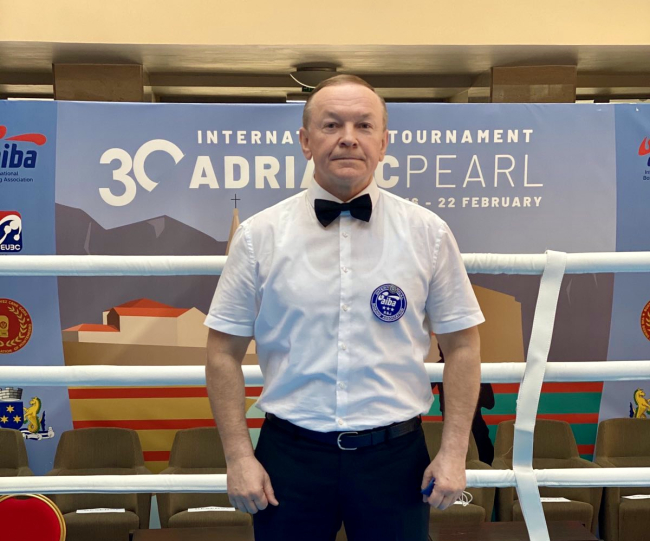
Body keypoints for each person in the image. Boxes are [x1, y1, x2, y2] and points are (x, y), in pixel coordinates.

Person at [205, 74, 484, 541]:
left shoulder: (429, 233)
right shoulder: (258, 236)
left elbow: (463, 346)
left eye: (363, 125)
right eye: (332, 125)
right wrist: (237, 456)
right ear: (305, 141)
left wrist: (455, 452)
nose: (348, 138)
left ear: (383, 142)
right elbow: (221, 352)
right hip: (288, 458)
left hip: (396, 458)